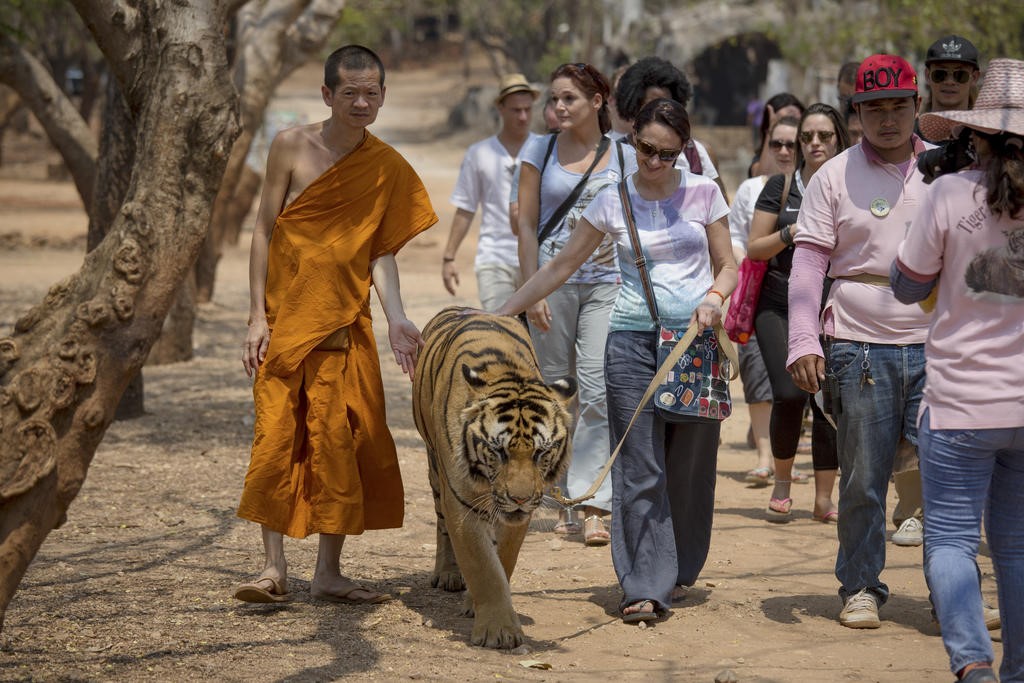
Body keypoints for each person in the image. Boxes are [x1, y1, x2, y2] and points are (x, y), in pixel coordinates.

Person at [499, 98, 736, 622]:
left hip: (694, 344)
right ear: (632, 143)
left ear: (682, 152)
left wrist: (715, 298)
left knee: (688, 465)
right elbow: (560, 264)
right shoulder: (612, 200)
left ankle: (678, 563)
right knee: (638, 464)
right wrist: (502, 312)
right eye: (646, 149)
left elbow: (728, 267)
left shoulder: (704, 192)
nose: (654, 162)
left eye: (667, 154)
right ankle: (644, 585)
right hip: (629, 340)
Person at [234, 45, 437, 604]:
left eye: (371, 92)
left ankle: (327, 572)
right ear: (327, 94)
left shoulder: (386, 167)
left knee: (342, 442)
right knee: (276, 441)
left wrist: (398, 317)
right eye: (349, 92)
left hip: (346, 326)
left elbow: (381, 252)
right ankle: (273, 569)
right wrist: (255, 315)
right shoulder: (291, 146)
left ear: (383, 96)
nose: (361, 102)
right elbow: (261, 230)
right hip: (285, 323)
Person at [786, 54, 931, 629]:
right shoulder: (833, 175)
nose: (888, 119)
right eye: (875, 108)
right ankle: (861, 585)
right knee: (864, 478)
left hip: (938, 345)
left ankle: (954, 590)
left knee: (945, 478)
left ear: (918, 106)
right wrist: (803, 340)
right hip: (856, 343)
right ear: (857, 114)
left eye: (899, 105)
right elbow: (808, 264)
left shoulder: (946, 171)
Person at [893, 57, 1024, 683]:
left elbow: (904, 283)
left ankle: (972, 664)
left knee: (948, 539)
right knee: (1018, 544)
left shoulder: (948, 193)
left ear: (976, 135)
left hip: (958, 406)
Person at [516, 62, 637, 546]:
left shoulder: (624, 155)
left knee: (595, 383)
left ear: (597, 100)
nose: (558, 107)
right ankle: (559, 492)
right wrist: (532, 290)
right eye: (554, 99)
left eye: (569, 98)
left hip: (608, 282)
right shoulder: (538, 149)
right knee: (553, 390)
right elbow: (525, 224)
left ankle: (591, 502)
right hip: (551, 281)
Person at [747, 105, 847, 524]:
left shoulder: (850, 181)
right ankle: (783, 481)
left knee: (826, 398)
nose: (814, 144)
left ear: (838, 138)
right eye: (807, 137)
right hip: (778, 306)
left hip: (831, 306)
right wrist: (793, 231)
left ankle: (824, 498)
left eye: (824, 136)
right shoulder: (782, 185)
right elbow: (755, 247)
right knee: (790, 392)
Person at [442, 74, 540, 312]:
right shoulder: (479, 153)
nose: (523, 116)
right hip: (494, 258)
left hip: (539, 261)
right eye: (516, 110)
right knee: (500, 331)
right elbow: (466, 208)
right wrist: (449, 257)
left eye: (527, 109)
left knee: (539, 341)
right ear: (500, 108)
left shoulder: (545, 149)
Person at [614, 56, 730, 202]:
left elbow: (719, 206)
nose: (660, 111)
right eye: (652, 104)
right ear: (635, 105)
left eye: (668, 154)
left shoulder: (695, 153)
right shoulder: (615, 154)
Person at [919, 35, 981, 131]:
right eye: (940, 74)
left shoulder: (985, 139)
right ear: (927, 76)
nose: (949, 82)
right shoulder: (908, 137)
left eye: (960, 75)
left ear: (974, 78)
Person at [749, 92, 805, 177]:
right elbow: (760, 180)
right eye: (784, 120)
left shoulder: (810, 153)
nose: (784, 152)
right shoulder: (762, 156)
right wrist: (772, 128)